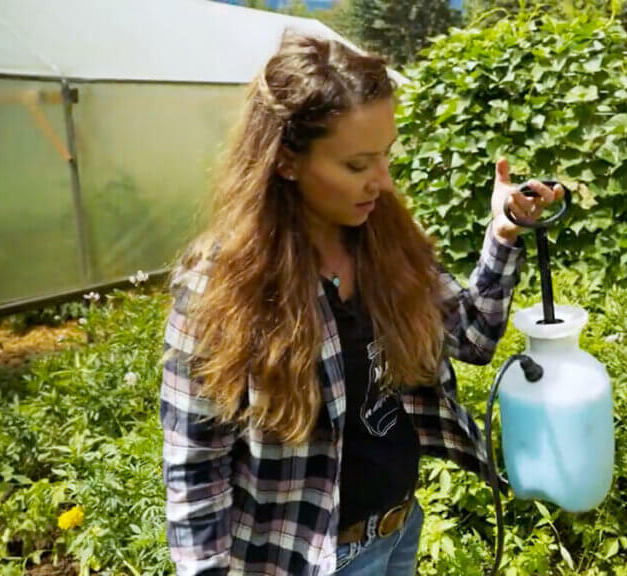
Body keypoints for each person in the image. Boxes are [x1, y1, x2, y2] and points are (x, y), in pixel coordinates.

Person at [159, 33, 563, 576]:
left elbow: (471, 337)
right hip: (309, 559)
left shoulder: (381, 242)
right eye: (356, 165)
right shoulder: (222, 286)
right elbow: (194, 463)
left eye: (386, 157)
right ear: (285, 162)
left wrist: (505, 231)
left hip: (398, 531)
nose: (382, 182)